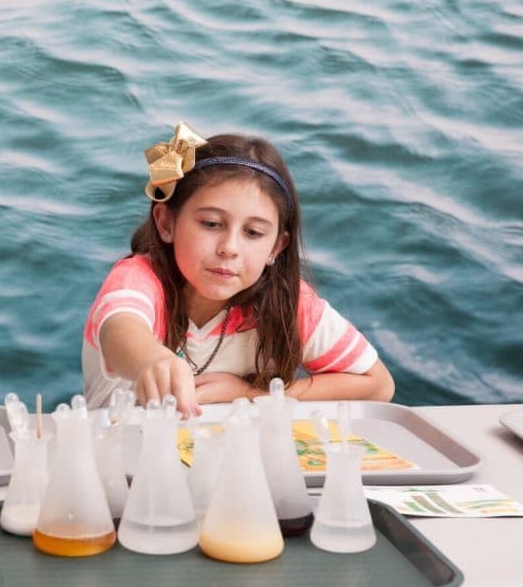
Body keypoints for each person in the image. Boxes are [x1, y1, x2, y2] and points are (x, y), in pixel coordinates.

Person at [82, 123, 394, 416]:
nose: (229, 247)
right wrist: (153, 360)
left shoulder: (287, 302)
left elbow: (378, 384)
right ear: (166, 222)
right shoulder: (137, 279)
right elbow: (120, 331)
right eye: (212, 224)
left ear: (276, 247)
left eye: (253, 233)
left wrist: (251, 394)